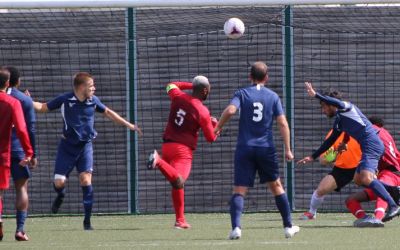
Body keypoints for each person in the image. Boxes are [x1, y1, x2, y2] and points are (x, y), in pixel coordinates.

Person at [32, 72, 142, 230]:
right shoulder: (65, 99)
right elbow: (43, 107)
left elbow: (109, 113)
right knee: (59, 182)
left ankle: (87, 221)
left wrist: (130, 125)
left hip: (85, 147)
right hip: (67, 148)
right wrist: (27, 101)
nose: (94, 88)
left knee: (85, 180)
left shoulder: (93, 101)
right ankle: (61, 194)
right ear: (82, 87)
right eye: (91, 86)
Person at [214, 61, 299, 239]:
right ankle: (288, 227)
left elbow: (230, 110)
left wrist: (218, 127)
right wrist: (288, 149)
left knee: (239, 190)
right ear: (266, 77)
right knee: (276, 186)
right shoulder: (273, 97)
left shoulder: (242, 93)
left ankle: (236, 228)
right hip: (266, 149)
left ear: (250, 77)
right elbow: (282, 123)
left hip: (245, 148)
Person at [297, 82, 400, 222]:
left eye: (324, 106)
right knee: (358, 179)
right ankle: (394, 190)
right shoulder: (340, 121)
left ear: (332, 104)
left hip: (372, 144)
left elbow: (335, 102)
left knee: (366, 178)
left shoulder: (348, 108)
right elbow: (330, 141)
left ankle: (394, 206)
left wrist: (315, 95)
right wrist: (312, 156)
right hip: (366, 147)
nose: (323, 110)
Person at [147, 75, 218, 229]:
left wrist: (191, 85)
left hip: (168, 146)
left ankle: (180, 221)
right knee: (179, 180)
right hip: (182, 151)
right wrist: (216, 126)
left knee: (176, 184)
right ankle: (158, 161)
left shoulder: (178, 96)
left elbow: (170, 85)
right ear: (205, 90)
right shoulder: (202, 111)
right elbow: (211, 138)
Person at [346, 116, 400, 227]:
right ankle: (366, 219)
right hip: (389, 175)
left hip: (391, 174)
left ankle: (377, 219)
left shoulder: (373, 131)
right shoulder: (386, 134)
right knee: (350, 199)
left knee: (382, 192)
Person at [299, 127, 361, 220]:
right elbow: (322, 160)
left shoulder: (361, 130)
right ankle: (312, 213)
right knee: (321, 190)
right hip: (342, 170)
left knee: (377, 188)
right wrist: (332, 156)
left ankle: (380, 212)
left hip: (362, 167)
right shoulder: (334, 133)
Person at [0, 67, 33, 241]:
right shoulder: (19, 101)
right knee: (21, 188)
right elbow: (25, 129)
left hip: (3, 152)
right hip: (17, 151)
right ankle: (20, 230)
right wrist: (30, 153)